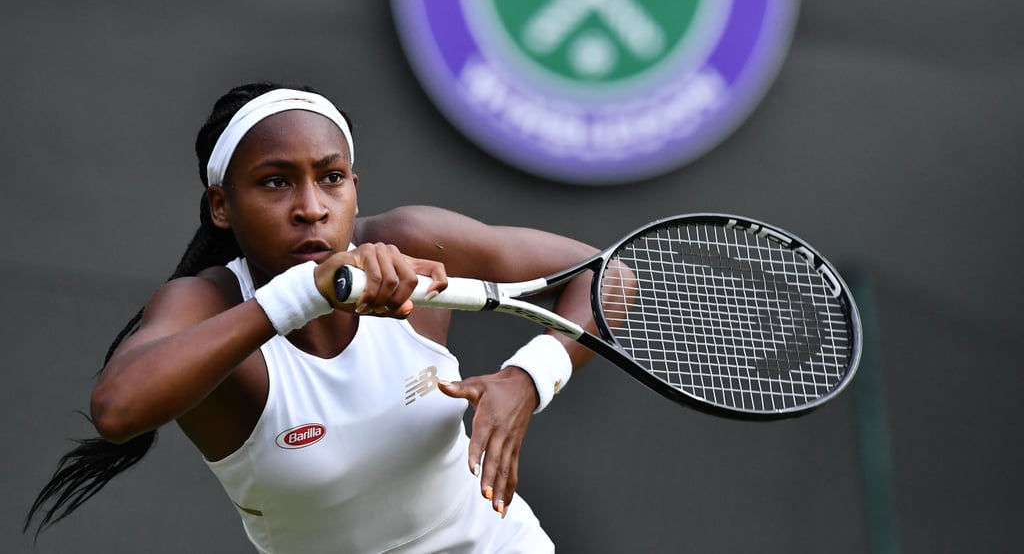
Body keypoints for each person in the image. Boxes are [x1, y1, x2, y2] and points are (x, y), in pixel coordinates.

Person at [25, 82, 600, 553]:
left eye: (331, 178)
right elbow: (119, 410)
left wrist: (528, 379)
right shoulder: (204, 305)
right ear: (221, 205)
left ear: (354, 187)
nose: (311, 208)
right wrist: (304, 292)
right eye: (276, 182)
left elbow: (607, 275)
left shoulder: (409, 240)